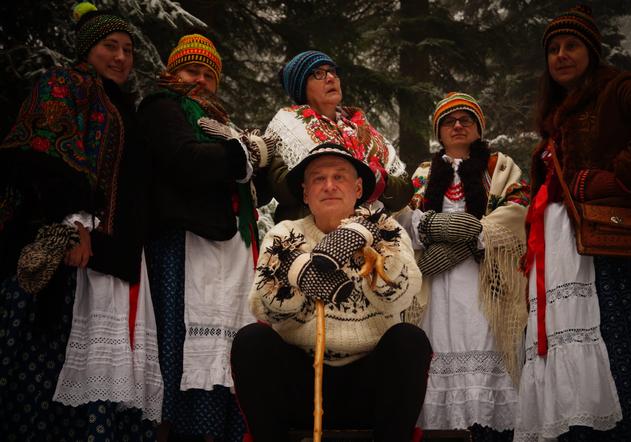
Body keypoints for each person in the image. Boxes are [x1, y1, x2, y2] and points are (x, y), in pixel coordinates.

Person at [0, 2, 161, 440]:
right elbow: (42, 153)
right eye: (111, 46)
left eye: (129, 49)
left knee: (87, 357)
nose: (122, 57)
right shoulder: (62, 84)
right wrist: (72, 222)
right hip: (67, 247)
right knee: (47, 356)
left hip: (110, 255)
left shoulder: (122, 103)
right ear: (87, 49)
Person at [515, 5, 631, 441]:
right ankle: (573, 426)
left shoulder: (616, 88)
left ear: (591, 51)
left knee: (612, 332)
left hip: (607, 239)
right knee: (572, 331)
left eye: (572, 46)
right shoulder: (557, 112)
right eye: (554, 49)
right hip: (565, 241)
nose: (561, 55)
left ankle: (623, 429)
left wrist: (624, 175)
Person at [231, 143, 431, 441]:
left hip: (369, 384)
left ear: (359, 188)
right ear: (305, 193)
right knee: (251, 340)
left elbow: (400, 293)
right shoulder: (285, 234)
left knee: (410, 340)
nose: (329, 186)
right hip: (302, 381)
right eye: (318, 179)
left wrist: (366, 247)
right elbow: (263, 306)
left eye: (340, 177)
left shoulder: (385, 229)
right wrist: (302, 275)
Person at [137, 34, 274, 441]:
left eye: (208, 73)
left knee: (229, 340)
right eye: (191, 70)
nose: (200, 79)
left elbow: (256, 192)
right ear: (172, 72)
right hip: (182, 242)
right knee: (179, 342)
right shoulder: (163, 107)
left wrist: (255, 161)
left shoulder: (219, 121)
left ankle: (227, 428)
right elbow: (183, 159)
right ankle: (179, 429)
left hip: (228, 248)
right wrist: (243, 154)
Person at [397, 92, 529, 439]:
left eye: (466, 120)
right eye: (449, 121)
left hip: (486, 284)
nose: (458, 125)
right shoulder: (424, 173)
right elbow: (405, 219)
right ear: (438, 132)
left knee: (487, 346)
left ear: (478, 128)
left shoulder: (498, 166)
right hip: (436, 288)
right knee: (437, 349)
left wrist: (475, 235)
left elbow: (519, 207)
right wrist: (431, 232)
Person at [265, 50, 414, 222]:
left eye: (333, 71)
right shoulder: (288, 126)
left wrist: (382, 182)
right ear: (300, 87)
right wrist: (337, 175)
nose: (330, 78)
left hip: (372, 234)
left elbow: (404, 192)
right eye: (318, 73)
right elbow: (283, 191)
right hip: (312, 235)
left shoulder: (362, 128)